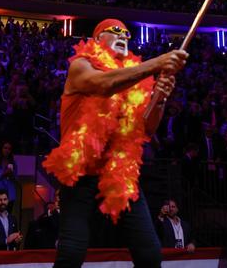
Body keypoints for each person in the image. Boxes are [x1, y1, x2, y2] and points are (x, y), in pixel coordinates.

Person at [44, 19, 188, 268]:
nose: (124, 35)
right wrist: (157, 63)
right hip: (81, 175)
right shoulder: (81, 65)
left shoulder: (133, 81)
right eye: (116, 31)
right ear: (98, 38)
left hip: (119, 176)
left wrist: (160, 99)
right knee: (71, 254)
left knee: (150, 255)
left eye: (127, 33)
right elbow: (104, 84)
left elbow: (148, 128)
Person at [0, 141, 18, 208]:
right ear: (1, 149)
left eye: (9, 149)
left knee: (8, 215)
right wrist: (2, 174)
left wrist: (11, 175)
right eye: (5, 148)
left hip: (10, 193)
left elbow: (16, 178)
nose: (7, 150)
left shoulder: (13, 163)